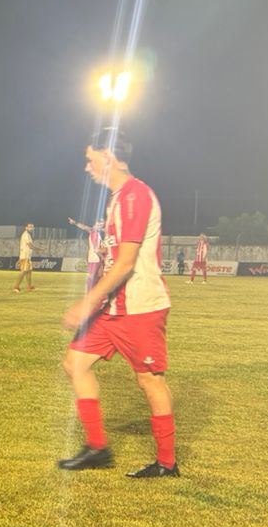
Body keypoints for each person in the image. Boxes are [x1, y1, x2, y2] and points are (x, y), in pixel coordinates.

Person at [58, 140, 178, 478]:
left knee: (149, 380)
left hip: (140, 306)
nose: (87, 167)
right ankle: (98, 448)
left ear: (108, 157)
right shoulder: (116, 199)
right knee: (75, 363)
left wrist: (86, 303)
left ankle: (167, 464)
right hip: (111, 308)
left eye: (90, 159)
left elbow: (125, 263)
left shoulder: (135, 195)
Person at [68, 216, 103, 289]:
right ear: (94, 225)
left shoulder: (95, 232)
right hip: (95, 259)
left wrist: (75, 223)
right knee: (93, 277)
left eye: (101, 224)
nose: (100, 226)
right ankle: (90, 293)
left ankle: (94, 292)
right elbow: (96, 249)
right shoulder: (94, 233)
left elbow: (84, 227)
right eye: (98, 224)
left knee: (98, 277)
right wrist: (103, 257)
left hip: (96, 258)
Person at [13, 224, 39, 292]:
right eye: (30, 227)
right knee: (24, 271)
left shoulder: (28, 234)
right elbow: (30, 245)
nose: (31, 228)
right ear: (26, 227)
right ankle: (16, 287)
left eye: (32, 227)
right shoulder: (26, 234)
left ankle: (29, 287)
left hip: (28, 256)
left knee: (29, 271)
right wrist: (38, 249)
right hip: (25, 256)